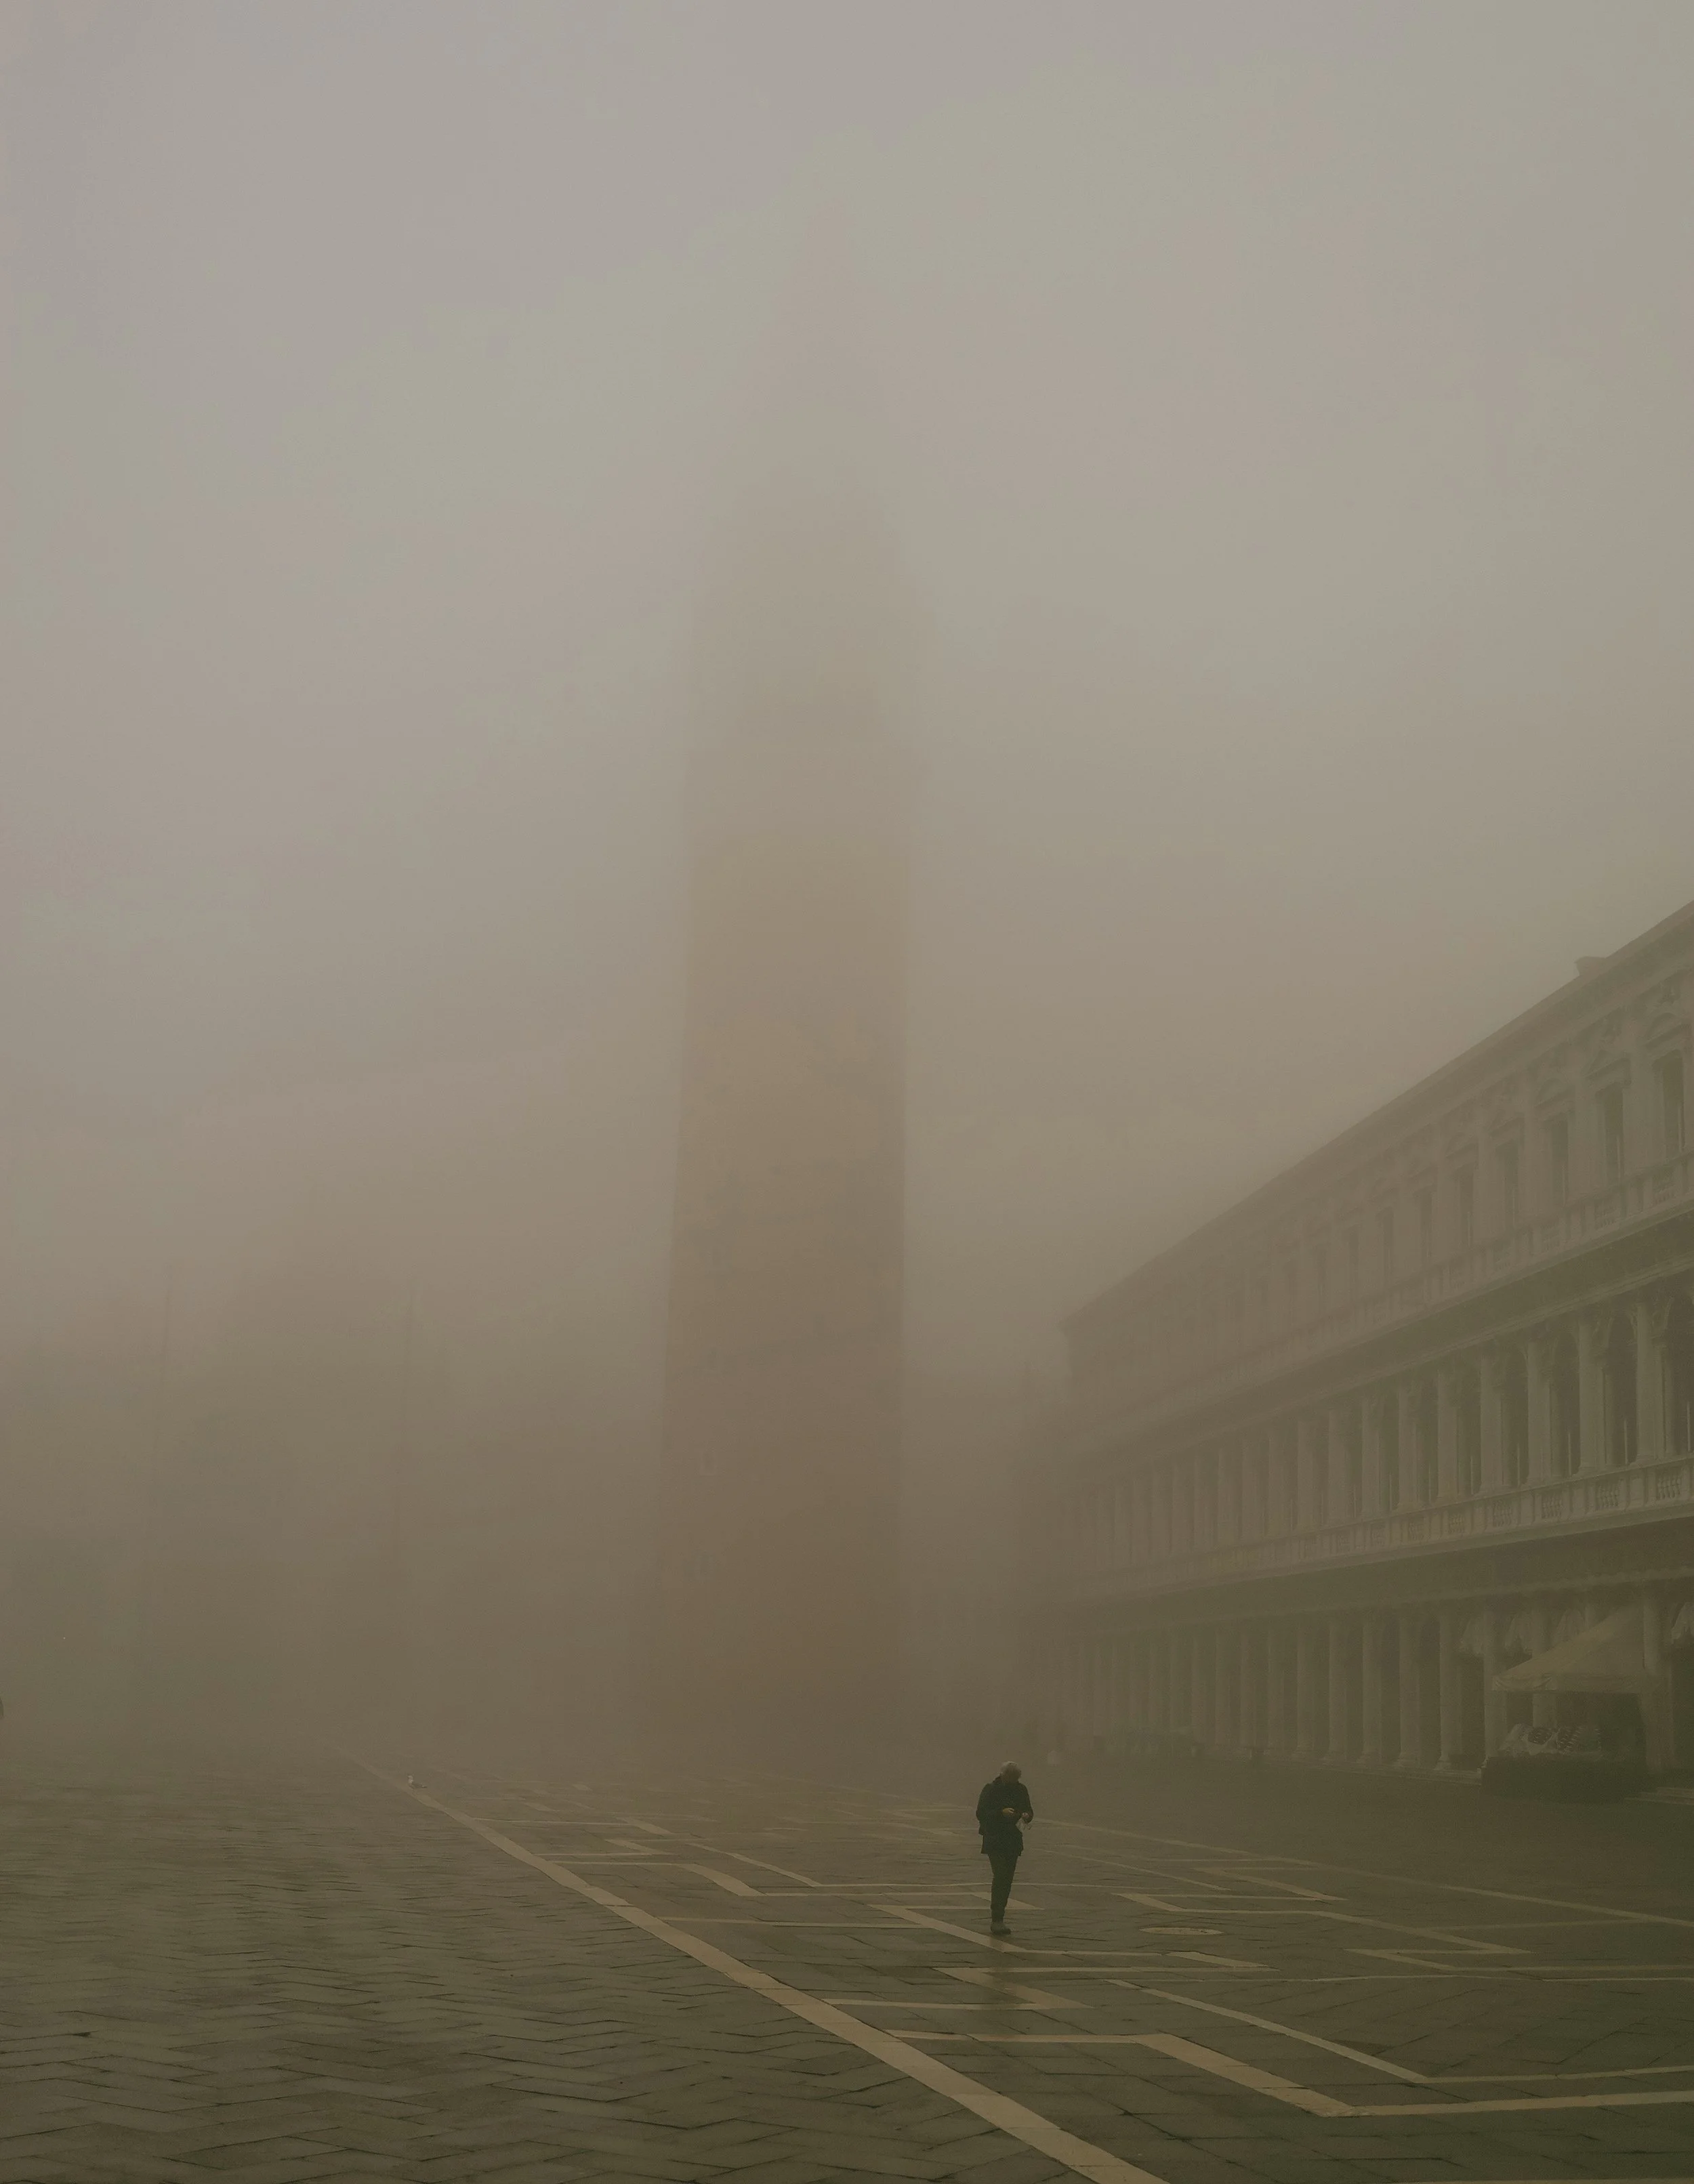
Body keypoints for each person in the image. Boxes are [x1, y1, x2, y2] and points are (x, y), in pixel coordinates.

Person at [975, 1761, 1033, 1936]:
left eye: (1016, 1778)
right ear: (1003, 1775)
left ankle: (1000, 1916)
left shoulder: (1021, 1789)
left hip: (1013, 1839)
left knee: (1007, 1878)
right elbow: (981, 1813)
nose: (1013, 1781)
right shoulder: (991, 1789)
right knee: (1000, 1875)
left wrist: (1026, 1815)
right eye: (1010, 1777)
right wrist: (1001, 1813)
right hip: (995, 1838)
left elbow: (1029, 1810)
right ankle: (997, 1918)